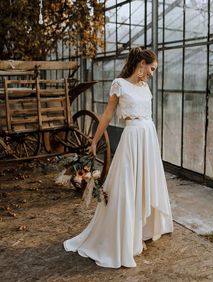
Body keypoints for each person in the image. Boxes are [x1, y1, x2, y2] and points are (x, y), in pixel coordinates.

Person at [63, 47, 173, 268]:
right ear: (141, 63)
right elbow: (107, 114)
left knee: (144, 184)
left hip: (148, 139)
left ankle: (143, 230)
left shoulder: (145, 86)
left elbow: (147, 115)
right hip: (132, 140)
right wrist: (94, 141)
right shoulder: (119, 85)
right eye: (151, 68)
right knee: (126, 188)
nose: (152, 73)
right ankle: (125, 238)